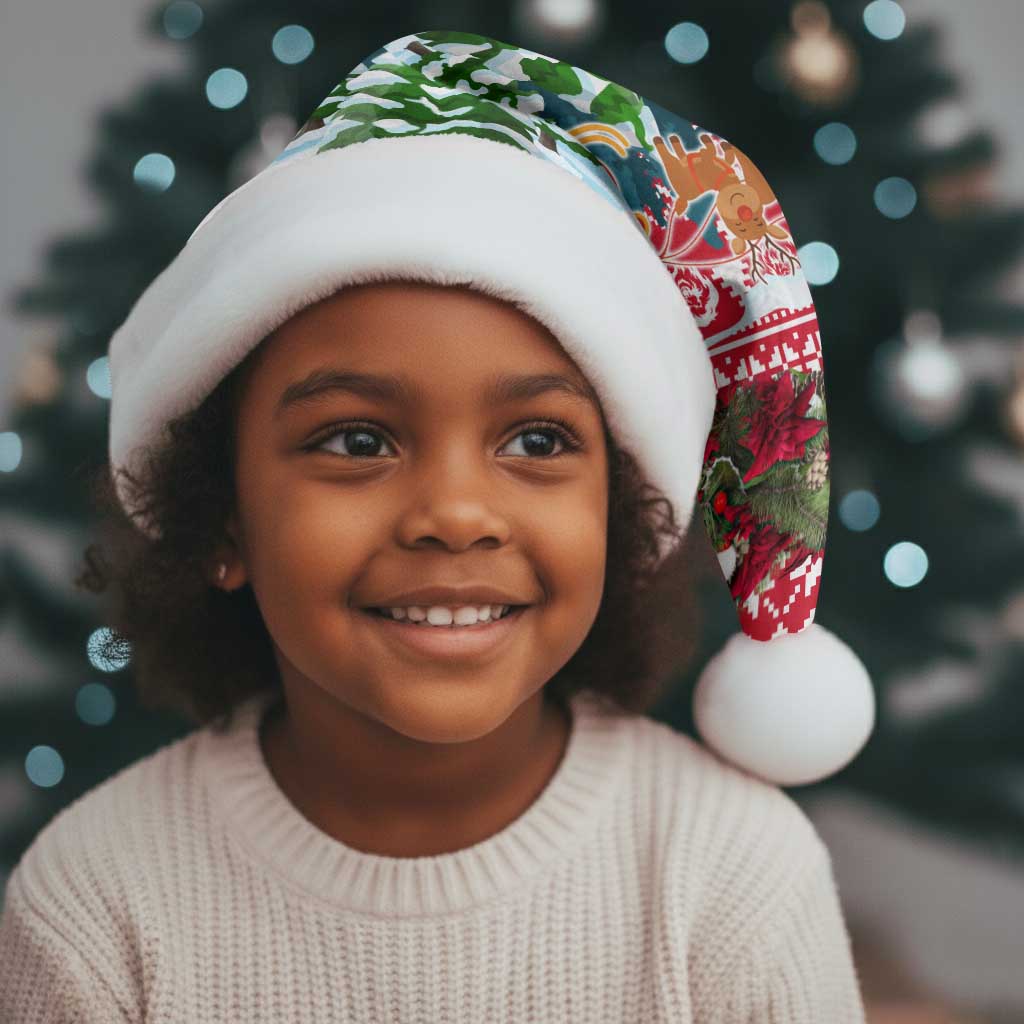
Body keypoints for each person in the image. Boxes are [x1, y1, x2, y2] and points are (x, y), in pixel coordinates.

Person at [0, 29, 874, 1022]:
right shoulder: (97, 899)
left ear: (621, 512)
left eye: (538, 441)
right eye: (358, 440)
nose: (455, 514)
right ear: (220, 518)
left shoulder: (730, 873)